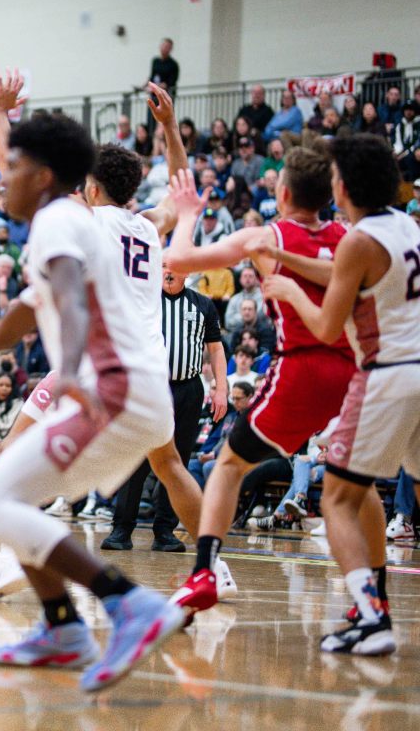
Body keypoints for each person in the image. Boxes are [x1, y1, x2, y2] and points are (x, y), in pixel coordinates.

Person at [0, 71, 184, 692]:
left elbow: (72, 301)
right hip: (137, 393)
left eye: (14, 164)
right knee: (6, 495)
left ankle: (127, 604)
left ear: (44, 176)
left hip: (112, 389)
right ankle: (61, 626)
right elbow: (0, 332)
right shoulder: (74, 227)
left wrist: (71, 370)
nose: (2, 176)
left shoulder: (60, 223)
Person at [164, 145, 357, 618]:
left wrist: (189, 213)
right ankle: (369, 600)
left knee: (228, 465)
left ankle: (205, 571)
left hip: (302, 367)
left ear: (282, 192)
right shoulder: (349, 237)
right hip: (354, 373)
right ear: (330, 195)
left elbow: (181, 260)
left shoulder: (267, 235)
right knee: (358, 486)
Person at [261, 134, 420, 656]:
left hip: (388, 374)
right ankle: (370, 609)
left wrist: (285, 289)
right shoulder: (406, 226)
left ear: (344, 186)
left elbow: (329, 327)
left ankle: (371, 616)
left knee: (336, 494)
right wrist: (285, 255)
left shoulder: (357, 241)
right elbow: (350, 275)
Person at [102, 264, 228, 552]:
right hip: (148, 388)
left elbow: (216, 348)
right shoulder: (141, 302)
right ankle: (122, 529)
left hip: (188, 390)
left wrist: (221, 388)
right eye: (163, 266)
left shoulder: (203, 304)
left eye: (174, 267)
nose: (169, 272)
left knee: (178, 462)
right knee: (136, 458)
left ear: (187, 272)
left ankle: (165, 531)